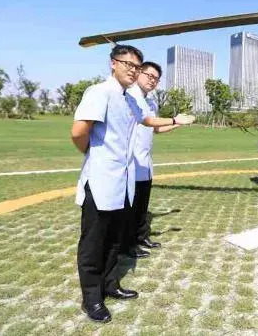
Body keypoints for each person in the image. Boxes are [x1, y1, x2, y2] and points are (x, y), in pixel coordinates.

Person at [71, 45, 194, 323]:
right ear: (113, 63)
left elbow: (147, 120)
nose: (132, 70)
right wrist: (93, 156)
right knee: (94, 242)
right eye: (128, 64)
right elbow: (78, 132)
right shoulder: (99, 92)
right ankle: (91, 298)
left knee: (115, 239)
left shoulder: (128, 98)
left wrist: (175, 120)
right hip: (101, 180)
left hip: (123, 181)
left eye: (136, 67)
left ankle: (110, 284)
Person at [124, 61, 179, 258]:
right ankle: (128, 245)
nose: (152, 80)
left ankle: (141, 237)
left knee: (142, 207)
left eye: (156, 78)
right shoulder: (130, 97)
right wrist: (175, 119)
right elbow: (147, 121)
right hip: (132, 163)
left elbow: (156, 128)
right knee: (130, 209)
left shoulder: (152, 103)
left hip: (146, 164)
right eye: (149, 75)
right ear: (138, 73)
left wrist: (178, 124)